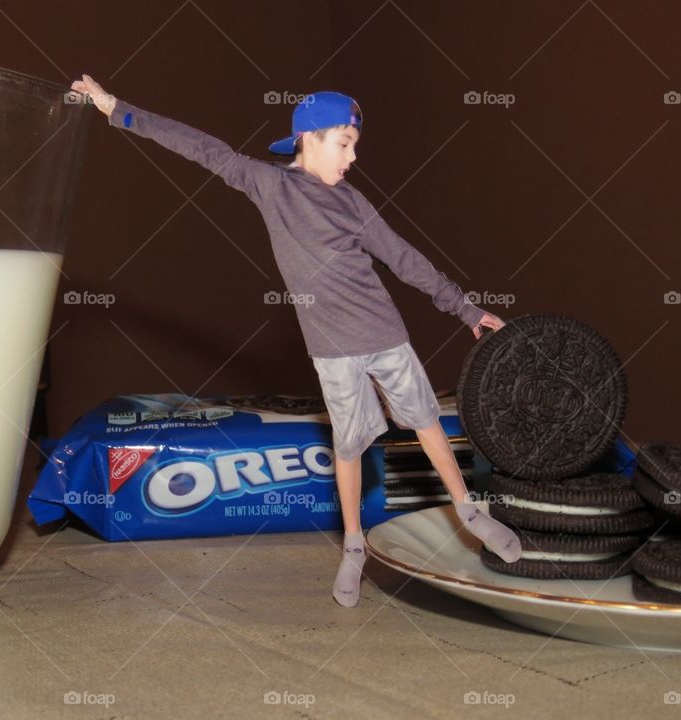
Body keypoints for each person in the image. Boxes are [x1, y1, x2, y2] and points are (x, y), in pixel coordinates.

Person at [70, 76, 522, 607]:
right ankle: (354, 545)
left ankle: (468, 512)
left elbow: (403, 258)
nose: (352, 158)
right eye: (344, 144)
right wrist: (116, 108)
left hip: (384, 332)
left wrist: (465, 309)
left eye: (354, 146)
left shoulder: (352, 202)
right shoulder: (269, 185)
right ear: (309, 139)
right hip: (331, 348)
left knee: (425, 421)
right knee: (350, 445)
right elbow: (198, 146)